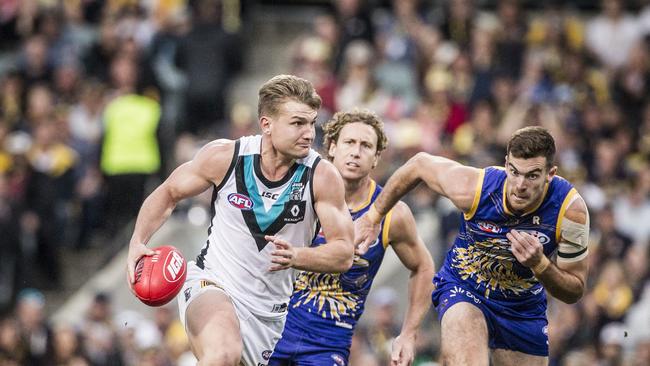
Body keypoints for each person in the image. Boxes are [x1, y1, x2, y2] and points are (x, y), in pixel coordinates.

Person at [126, 74, 355, 366]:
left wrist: (298, 256)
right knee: (222, 355)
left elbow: (344, 252)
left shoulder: (322, 177)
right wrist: (137, 241)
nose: (310, 133)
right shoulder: (226, 157)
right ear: (266, 125)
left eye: (312, 123)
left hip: (269, 317)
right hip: (212, 283)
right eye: (298, 123)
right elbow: (168, 193)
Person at [355, 126, 590, 365]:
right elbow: (419, 164)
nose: (520, 185)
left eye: (532, 176)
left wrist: (540, 264)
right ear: (506, 163)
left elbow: (574, 291)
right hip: (465, 286)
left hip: (522, 306)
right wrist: (373, 217)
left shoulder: (570, 212)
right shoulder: (476, 188)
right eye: (514, 172)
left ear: (550, 173)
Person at [270, 109, 435, 366]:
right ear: (332, 147)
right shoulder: (297, 191)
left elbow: (423, 266)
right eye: (349, 143)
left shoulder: (392, 214)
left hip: (329, 344)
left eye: (366, 146)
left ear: (376, 157)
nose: (356, 152)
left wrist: (409, 334)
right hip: (274, 329)